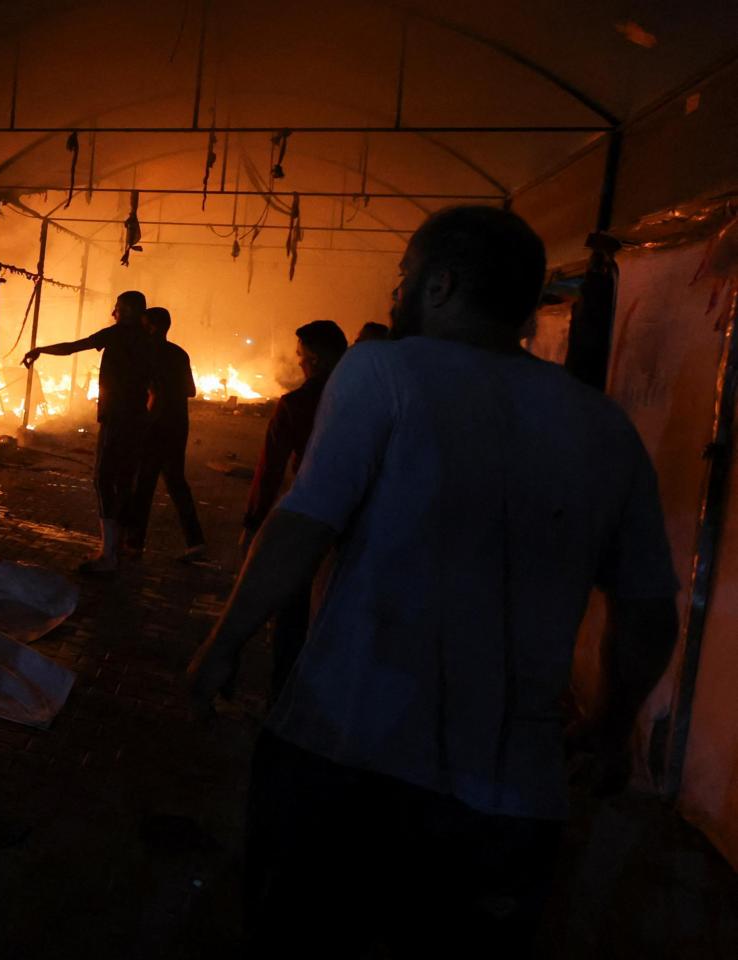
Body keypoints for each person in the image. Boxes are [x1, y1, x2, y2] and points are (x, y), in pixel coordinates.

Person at [187, 206, 679, 958]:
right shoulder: (603, 426)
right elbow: (646, 610)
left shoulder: (385, 368)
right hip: (512, 800)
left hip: (350, 756)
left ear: (440, 285)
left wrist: (225, 642)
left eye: (405, 278)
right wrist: (613, 731)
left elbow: (303, 521)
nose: (398, 293)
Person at [239, 319, 348, 699]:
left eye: (301, 357)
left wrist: (253, 522)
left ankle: (283, 701)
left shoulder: (297, 405)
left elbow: (269, 469)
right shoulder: (371, 399)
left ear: (314, 360)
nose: (299, 363)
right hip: (358, 526)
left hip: (310, 517)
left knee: (292, 612)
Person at [24, 291, 154, 574]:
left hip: (117, 417)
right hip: (137, 419)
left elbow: (74, 347)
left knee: (104, 478)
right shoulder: (149, 340)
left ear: (128, 311)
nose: (113, 313)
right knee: (124, 479)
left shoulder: (119, 334)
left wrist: (41, 350)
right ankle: (119, 546)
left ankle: (108, 555)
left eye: (117, 308)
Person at [122, 306, 205, 561]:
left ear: (153, 327)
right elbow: (191, 391)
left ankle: (134, 544)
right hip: (177, 425)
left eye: (144, 325)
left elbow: (141, 390)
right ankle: (195, 542)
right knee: (176, 482)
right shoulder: (179, 353)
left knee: (144, 484)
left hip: (154, 425)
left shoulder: (146, 353)